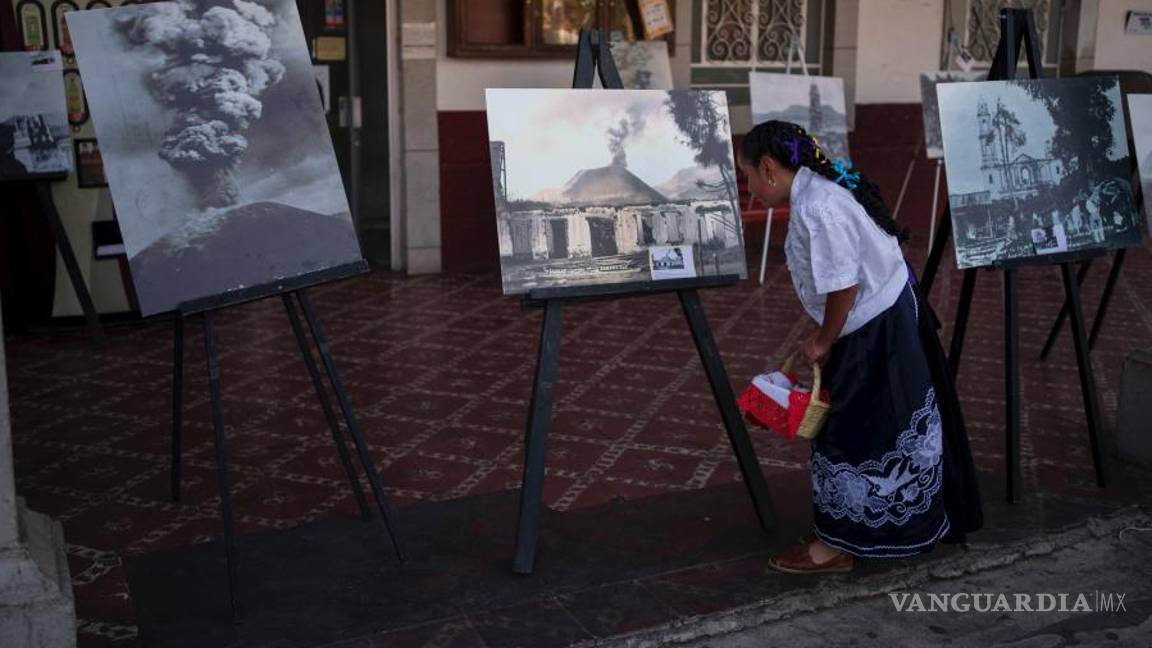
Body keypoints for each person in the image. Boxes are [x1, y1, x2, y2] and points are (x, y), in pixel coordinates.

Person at [739, 121, 983, 573]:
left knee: (855, 429)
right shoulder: (817, 192)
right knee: (871, 427)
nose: (750, 188)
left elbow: (843, 286)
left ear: (769, 169)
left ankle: (841, 544)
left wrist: (822, 341)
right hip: (878, 320)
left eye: (749, 176)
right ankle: (848, 532)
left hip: (875, 328)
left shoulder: (818, 206)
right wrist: (825, 337)